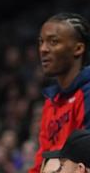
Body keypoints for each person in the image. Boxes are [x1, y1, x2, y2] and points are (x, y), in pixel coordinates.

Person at [29, 13, 90, 173]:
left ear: (78, 48)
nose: (43, 49)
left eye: (53, 42)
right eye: (41, 42)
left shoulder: (87, 92)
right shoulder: (52, 99)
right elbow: (43, 155)